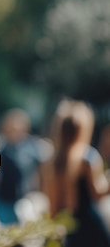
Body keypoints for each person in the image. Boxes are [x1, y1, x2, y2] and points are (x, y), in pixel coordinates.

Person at [40, 98, 110, 247]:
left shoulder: (51, 162)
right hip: (90, 227)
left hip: (67, 227)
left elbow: (52, 206)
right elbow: (97, 194)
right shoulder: (88, 157)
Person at [0, 108, 52, 225]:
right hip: (3, 200)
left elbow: (43, 169)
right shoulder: (2, 149)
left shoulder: (31, 148)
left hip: (23, 199)